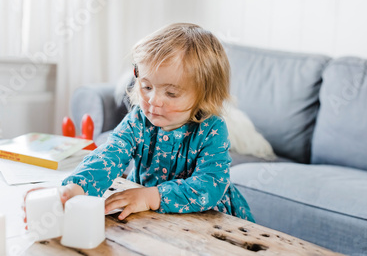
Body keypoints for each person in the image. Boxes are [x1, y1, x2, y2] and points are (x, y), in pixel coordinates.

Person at [28, 23, 254, 223]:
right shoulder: (138, 119)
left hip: (206, 218)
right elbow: (109, 155)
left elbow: (210, 184)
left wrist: (152, 196)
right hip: (147, 215)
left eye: (172, 93)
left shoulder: (212, 129)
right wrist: (76, 188)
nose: (153, 101)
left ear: (205, 95)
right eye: (147, 87)